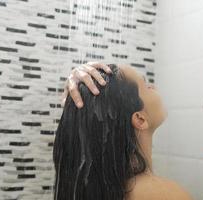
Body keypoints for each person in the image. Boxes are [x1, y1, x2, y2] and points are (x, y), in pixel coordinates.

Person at [54, 62, 193, 200]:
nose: (153, 87)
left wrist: (81, 88)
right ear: (140, 119)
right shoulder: (163, 194)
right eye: (145, 86)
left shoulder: (93, 188)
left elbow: (84, 118)